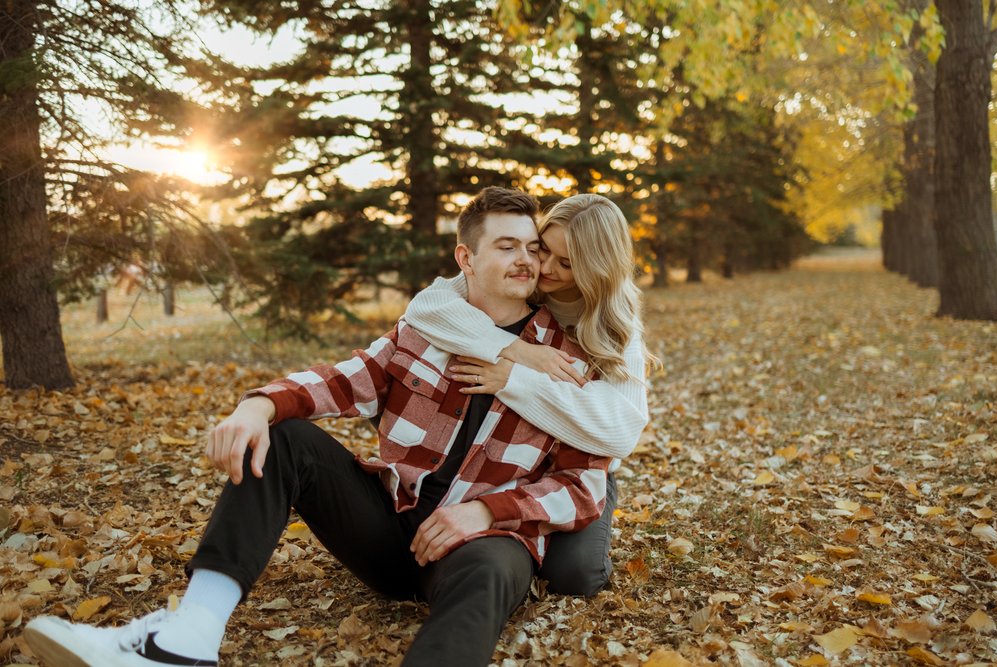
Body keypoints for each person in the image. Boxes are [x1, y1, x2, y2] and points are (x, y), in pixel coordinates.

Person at [23, 187, 611, 667]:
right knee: (284, 435)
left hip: (484, 543)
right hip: (392, 525)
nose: (527, 262)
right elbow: (339, 380)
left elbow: (584, 486)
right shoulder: (426, 332)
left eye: (532, 248)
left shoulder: (567, 358)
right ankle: (189, 636)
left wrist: (485, 514)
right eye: (508, 247)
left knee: (489, 570)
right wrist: (256, 406)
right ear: (465, 259)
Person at [403, 193, 654, 596]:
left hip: (580, 464)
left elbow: (620, 432)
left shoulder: (616, 328)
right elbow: (426, 307)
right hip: (518, 459)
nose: (546, 268)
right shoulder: (526, 280)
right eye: (544, 251)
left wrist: (515, 379)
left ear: (597, 268)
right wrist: (517, 350)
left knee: (573, 578)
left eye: (567, 263)